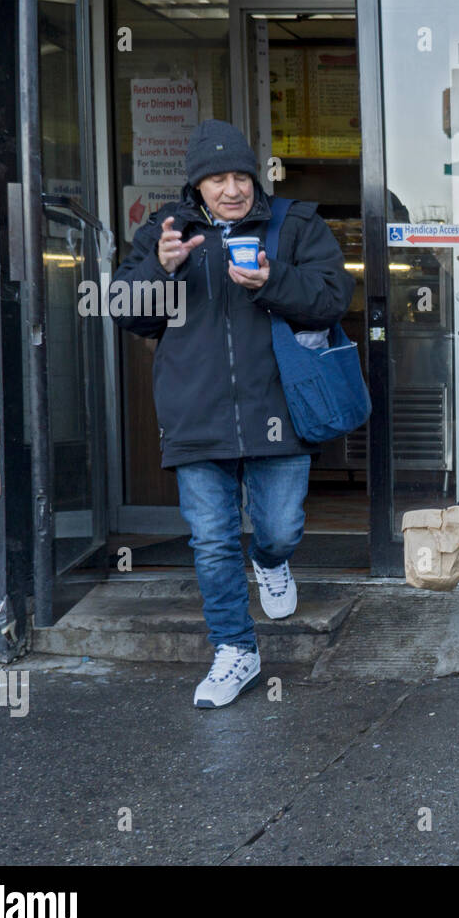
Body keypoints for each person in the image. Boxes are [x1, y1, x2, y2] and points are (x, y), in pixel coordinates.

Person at [112, 119, 354, 708]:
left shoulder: (293, 224)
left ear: (255, 178)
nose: (231, 189)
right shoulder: (165, 233)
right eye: (217, 179)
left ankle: (271, 562)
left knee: (278, 527)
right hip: (196, 415)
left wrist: (274, 281)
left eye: (240, 176)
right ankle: (234, 650)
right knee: (212, 541)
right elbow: (126, 311)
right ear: (197, 187)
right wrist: (158, 271)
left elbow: (331, 299)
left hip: (279, 408)